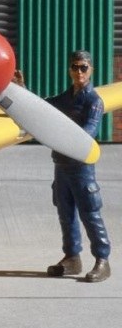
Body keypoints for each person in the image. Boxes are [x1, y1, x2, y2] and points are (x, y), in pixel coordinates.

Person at [28, 50, 111, 282]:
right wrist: (22, 92)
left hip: (81, 167)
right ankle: (72, 257)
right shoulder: (67, 98)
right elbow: (43, 107)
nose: (79, 72)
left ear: (91, 69)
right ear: (69, 70)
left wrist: (65, 140)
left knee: (90, 213)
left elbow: (89, 132)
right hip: (62, 165)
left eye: (83, 67)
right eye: (75, 67)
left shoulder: (93, 101)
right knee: (65, 213)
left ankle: (102, 260)